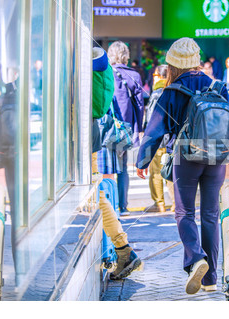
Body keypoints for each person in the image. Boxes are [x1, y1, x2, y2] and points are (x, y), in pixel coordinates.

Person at [136, 37, 229, 295]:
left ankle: (195, 259)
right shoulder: (218, 86)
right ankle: (211, 279)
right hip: (218, 158)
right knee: (211, 215)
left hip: (185, 158)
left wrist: (143, 160)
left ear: (172, 65)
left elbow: (154, 131)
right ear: (196, 62)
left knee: (184, 213)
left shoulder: (171, 92)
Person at [92, 47, 142, 280]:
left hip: (92, 139)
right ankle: (120, 249)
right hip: (107, 135)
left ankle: (122, 251)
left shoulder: (89, 71)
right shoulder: (108, 72)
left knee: (97, 196)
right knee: (104, 190)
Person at [104, 41, 144, 214]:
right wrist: (139, 127)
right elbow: (140, 104)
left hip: (106, 126)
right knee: (123, 167)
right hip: (125, 126)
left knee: (106, 167)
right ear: (126, 55)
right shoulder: (134, 75)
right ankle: (123, 206)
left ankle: (109, 206)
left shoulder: (105, 73)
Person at [144, 64, 175, 213]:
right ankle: (176, 204)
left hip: (158, 141)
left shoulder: (156, 93)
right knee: (171, 172)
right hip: (172, 141)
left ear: (159, 76)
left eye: (155, 75)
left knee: (156, 173)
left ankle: (159, 203)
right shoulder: (175, 92)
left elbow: (151, 121)